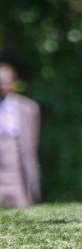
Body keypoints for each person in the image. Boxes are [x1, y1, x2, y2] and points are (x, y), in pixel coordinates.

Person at [0, 63, 39, 207]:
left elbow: (31, 146)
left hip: (18, 179)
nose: (3, 87)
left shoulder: (28, 108)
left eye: (7, 82)